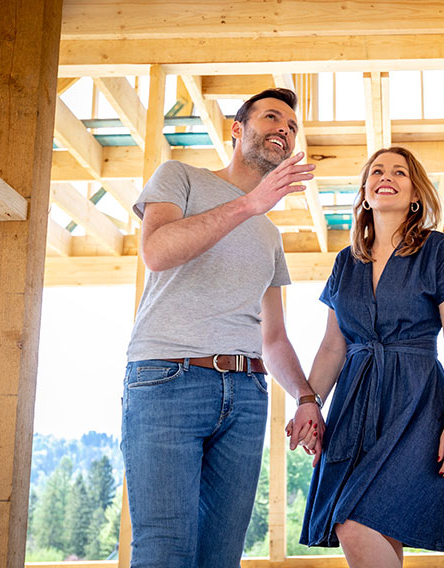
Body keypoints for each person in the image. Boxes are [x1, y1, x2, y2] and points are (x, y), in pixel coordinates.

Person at [122, 88, 325, 568]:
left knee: (221, 557)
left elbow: (273, 338)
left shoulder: (271, 235)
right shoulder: (180, 177)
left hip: (248, 395)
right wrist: (248, 205)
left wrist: (306, 396)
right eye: (272, 117)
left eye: (292, 127)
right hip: (168, 381)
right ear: (238, 129)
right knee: (163, 552)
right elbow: (157, 251)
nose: (284, 129)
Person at [295, 146, 444, 566]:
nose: (386, 176)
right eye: (377, 170)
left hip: (417, 404)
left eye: (399, 171)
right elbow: (332, 346)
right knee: (373, 523)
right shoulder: (345, 262)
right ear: (364, 191)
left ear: (415, 193)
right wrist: (309, 402)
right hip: (353, 407)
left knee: (354, 521)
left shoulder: (439, 250)